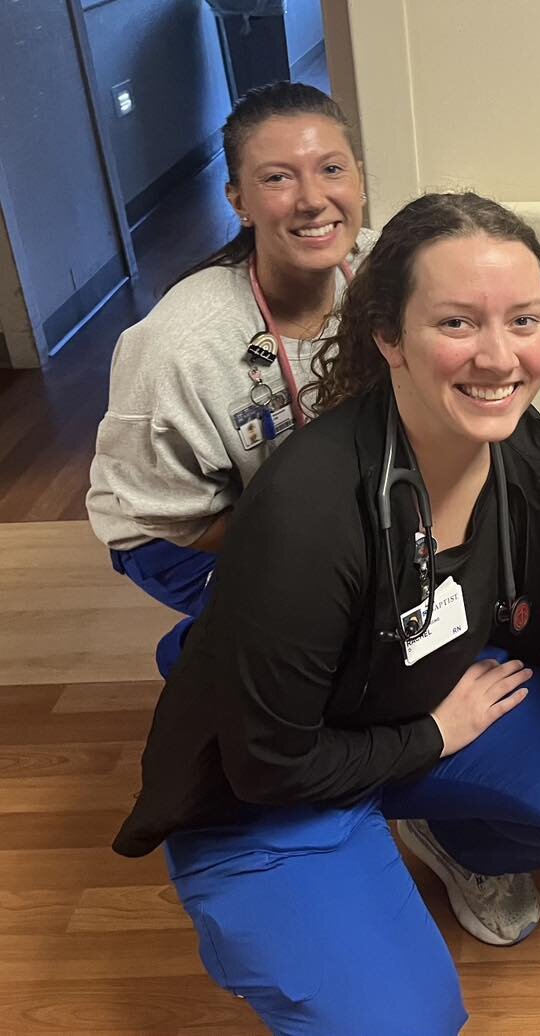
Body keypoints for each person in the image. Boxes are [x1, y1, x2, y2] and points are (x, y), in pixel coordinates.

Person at [110, 193, 540, 1034]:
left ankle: (451, 838)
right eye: (456, 323)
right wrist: (435, 738)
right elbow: (268, 765)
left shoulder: (517, 443)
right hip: (265, 789)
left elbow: (494, 614)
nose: (498, 356)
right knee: (408, 1024)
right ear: (387, 336)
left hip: (401, 704)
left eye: (524, 319)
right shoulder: (308, 512)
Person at [88, 82, 376, 676]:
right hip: (177, 528)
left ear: (360, 180)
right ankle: (202, 658)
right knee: (326, 630)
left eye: (331, 169)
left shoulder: (387, 278)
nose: (313, 199)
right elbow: (170, 513)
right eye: (277, 178)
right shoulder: (179, 345)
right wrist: (325, 547)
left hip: (312, 506)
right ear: (238, 200)